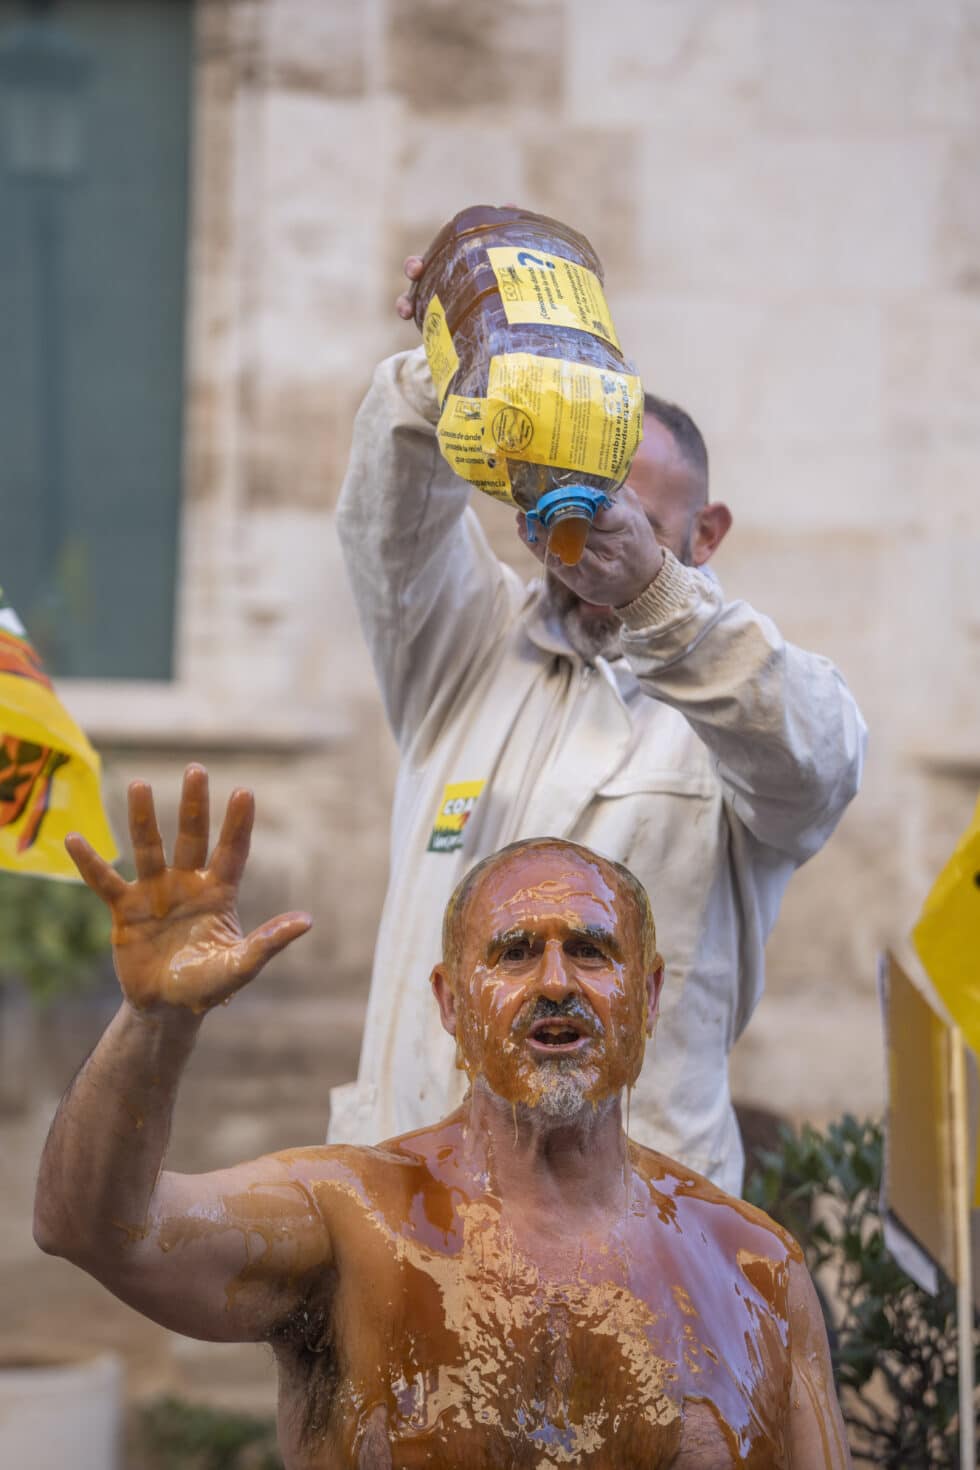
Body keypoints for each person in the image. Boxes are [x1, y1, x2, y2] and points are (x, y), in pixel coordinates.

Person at [34, 767, 851, 1468]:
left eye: (593, 951)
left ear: (650, 997)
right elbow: (91, 1227)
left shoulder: (755, 1270)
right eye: (515, 952)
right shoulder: (350, 1221)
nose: (557, 982)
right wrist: (155, 1021)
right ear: (451, 1003)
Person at [328, 253, 867, 1193]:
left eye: (633, 523)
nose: (587, 552)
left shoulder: (739, 695)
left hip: (640, 1225)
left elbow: (814, 762)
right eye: (568, 508)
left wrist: (654, 594)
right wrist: (453, 361)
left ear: (705, 535)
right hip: (413, 1197)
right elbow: (389, 518)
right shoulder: (468, 648)